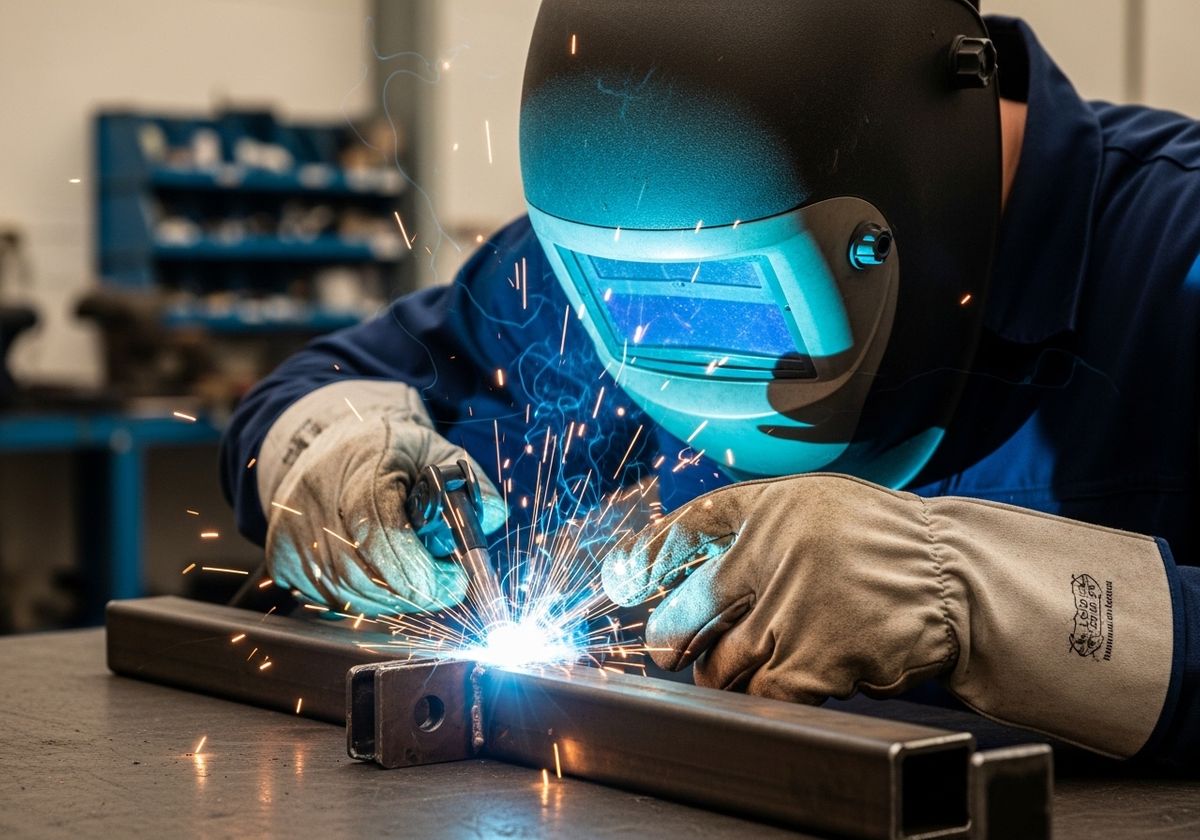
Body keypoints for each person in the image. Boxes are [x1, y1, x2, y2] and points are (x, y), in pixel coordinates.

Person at [221, 1, 1199, 765]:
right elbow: (333, 380)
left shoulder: (1172, 255)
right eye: (629, 292)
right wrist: (328, 454)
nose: (682, 347)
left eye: (737, 291)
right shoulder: (596, 265)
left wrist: (985, 596)